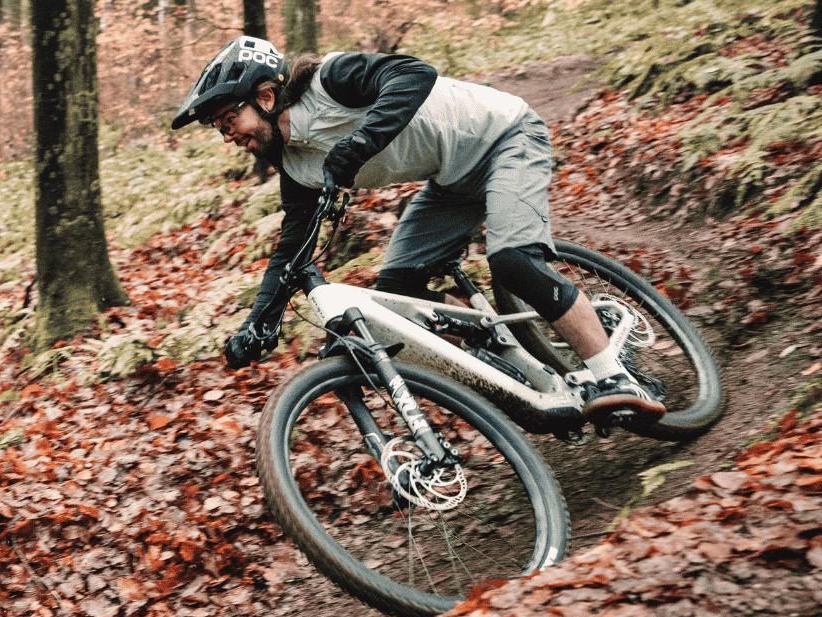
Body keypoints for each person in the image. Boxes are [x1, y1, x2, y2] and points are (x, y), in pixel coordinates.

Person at [172, 36, 665, 421]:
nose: (227, 132)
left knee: (512, 260)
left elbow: (413, 74)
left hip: (507, 137)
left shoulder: (333, 80)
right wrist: (260, 320)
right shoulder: (294, 167)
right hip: (451, 182)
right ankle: (498, 346)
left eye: (228, 117)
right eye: (217, 126)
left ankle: (615, 376)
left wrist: (358, 144)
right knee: (396, 299)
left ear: (265, 95)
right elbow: (291, 250)